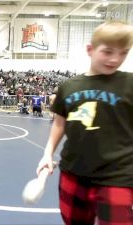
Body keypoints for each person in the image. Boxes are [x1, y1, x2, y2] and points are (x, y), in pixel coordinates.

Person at [36, 21, 133, 225]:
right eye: (107, 52)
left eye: (123, 53)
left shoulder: (130, 84)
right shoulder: (69, 86)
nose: (115, 59)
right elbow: (59, 124)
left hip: (117, 176)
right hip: (74, 173)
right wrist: (47, 154)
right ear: (90, 49)